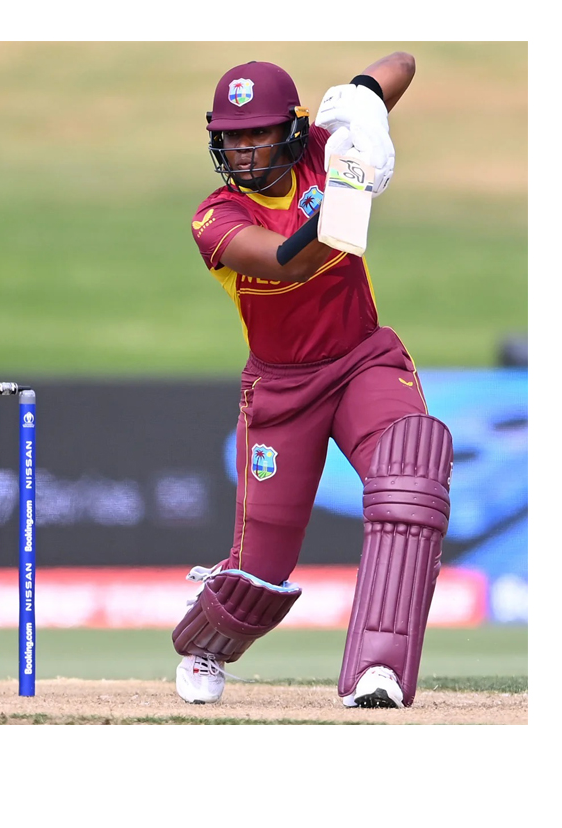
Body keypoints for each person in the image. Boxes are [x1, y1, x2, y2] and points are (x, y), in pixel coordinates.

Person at [173, 53, 455, 709]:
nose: (244, 150)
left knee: (411, 476)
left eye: (259, 132)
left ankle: (378, 669)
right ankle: (204, 640)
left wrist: (365, 109)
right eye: (231, 137)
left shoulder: (329, 150)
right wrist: (352, 190)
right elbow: (286, 263)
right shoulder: (214, 218)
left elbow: (401, 64)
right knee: (259, 574)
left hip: (362, 361)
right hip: (281, 393)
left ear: (294, 129)